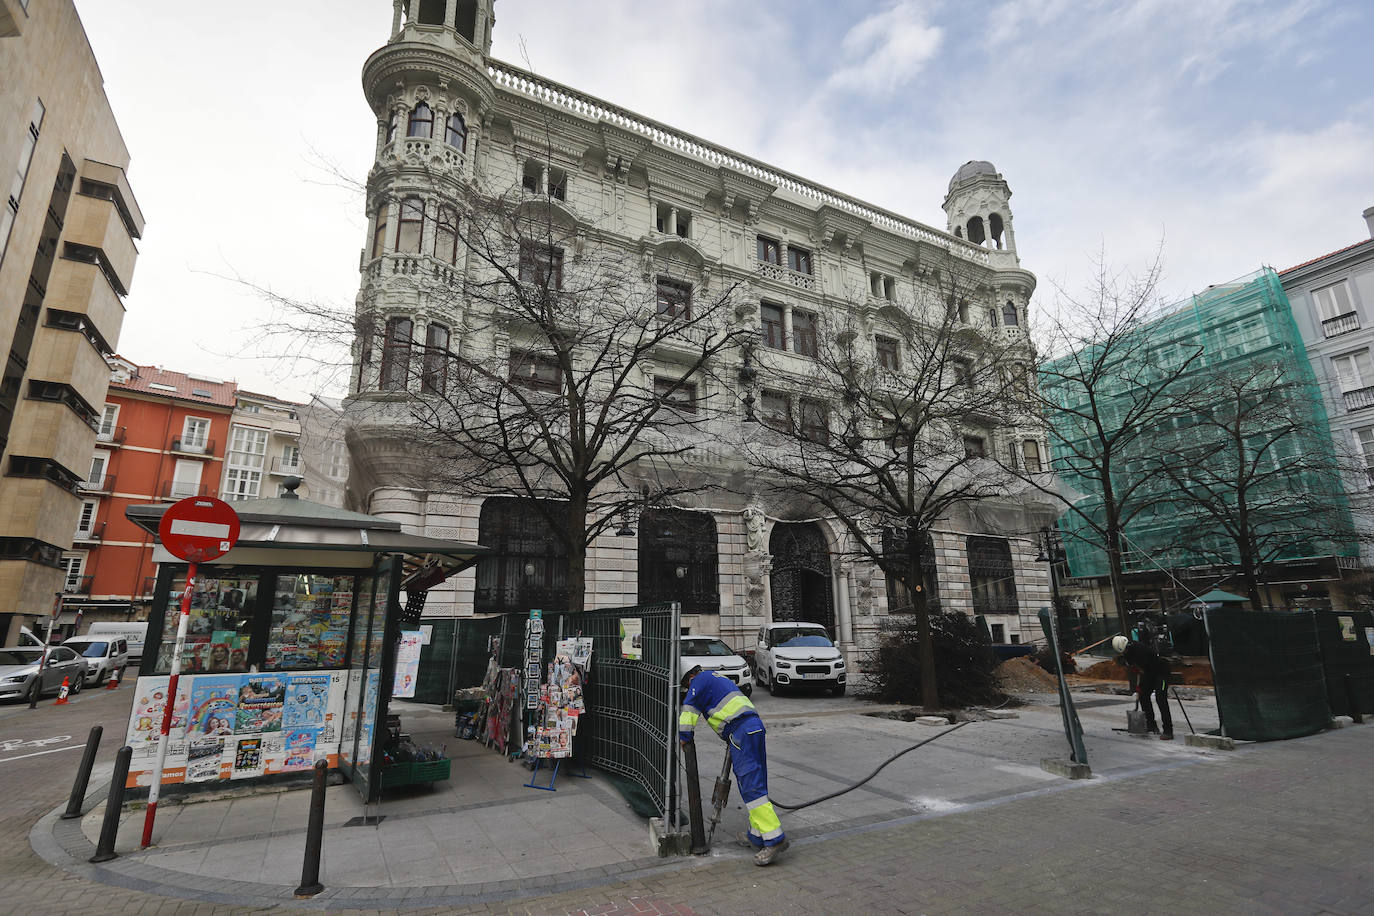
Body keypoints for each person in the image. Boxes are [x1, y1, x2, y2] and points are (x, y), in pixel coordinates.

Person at [678, 665, 789, 866]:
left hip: (740, 731)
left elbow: (689, 709)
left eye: (686, 684)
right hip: (754, 726)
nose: (687, 688)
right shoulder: (717, 677)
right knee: (757, 782)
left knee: (750, 786)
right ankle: (756, 835)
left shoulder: (698, 681)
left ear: (689, 677)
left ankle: (774, 838)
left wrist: (685, 736)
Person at [1113, 634, 1174, 740]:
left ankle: (1168, 730)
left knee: (1161, 698)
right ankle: (1151, 725)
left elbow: (1150, 666)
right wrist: (1137, 673)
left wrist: (1141, 672)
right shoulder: (1127, 654)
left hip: (1161, 672)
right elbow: (1135, 665)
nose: (1124, 653)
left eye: (1125, 650)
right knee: (1143, 695)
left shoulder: (1140, 649)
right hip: (1148, 673)